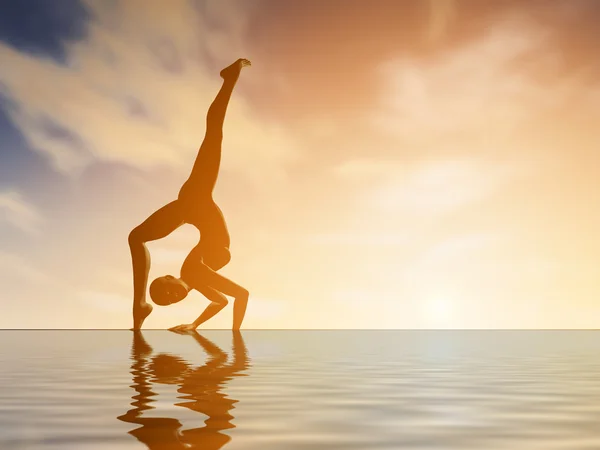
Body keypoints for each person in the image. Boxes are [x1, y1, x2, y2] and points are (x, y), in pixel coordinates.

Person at [128, 58, 251, 331]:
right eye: (171, 302)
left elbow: (242, 295)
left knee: (213, 135)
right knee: (136, 237)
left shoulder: (193, 272)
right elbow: (220, 302)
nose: (174, 297)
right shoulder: (197, 281)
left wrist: (236, 337)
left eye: (167, 290)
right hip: (193, 209)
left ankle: (229, 78)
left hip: (196, 200)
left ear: (171, 276)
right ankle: (140, 305)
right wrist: (194, 326)